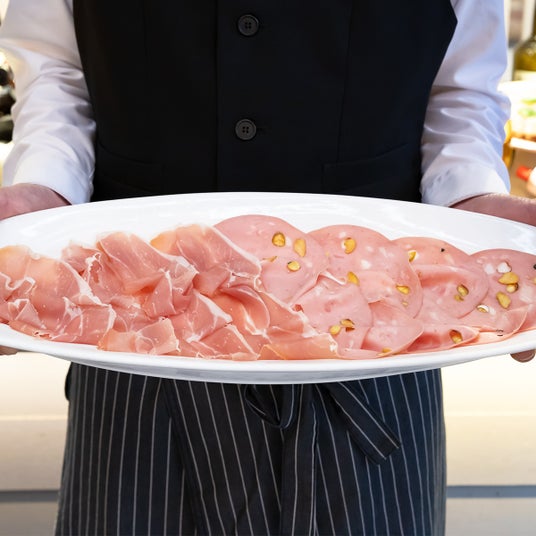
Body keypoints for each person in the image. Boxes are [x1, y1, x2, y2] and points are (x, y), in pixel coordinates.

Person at [0, 0, 534, 534]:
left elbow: (460, 89)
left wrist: (469, 194)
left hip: (384, 349)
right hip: (132, 343)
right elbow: (56, 71)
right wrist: (45, 187)